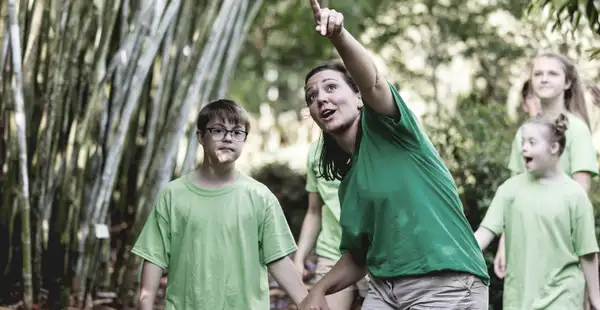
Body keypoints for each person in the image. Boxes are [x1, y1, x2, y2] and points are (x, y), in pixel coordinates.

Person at [299, 1, 490, 309]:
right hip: (386, 290)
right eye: (312, 96)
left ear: (358, 98)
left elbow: (373, 81)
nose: (321, 97)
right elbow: (358, 258)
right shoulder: (349, 183)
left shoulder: (392, 130)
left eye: (331, 87)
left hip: (445, 284)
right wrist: (318, 290)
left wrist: (338, 36)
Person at [131, 99, 307, 309]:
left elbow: (278, 259)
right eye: (218, 130)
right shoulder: (174, 194)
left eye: (236, 132)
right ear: (200, 137)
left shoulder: (259, 196)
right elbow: (155, 257)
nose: (228, 138)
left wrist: (309, 302)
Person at [474, 113, 600, 309]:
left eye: (532, 142)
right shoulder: (509, 190)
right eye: (523, 141)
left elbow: (588, 253)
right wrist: (451, 254)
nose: (524, 147)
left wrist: (596, 299)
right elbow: (483, 235)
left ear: (554, 148)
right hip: (519, 300)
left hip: (563, 297)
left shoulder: (575, 195)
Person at [493, 52, 598, 281]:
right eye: (538, 73)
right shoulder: (524, 132)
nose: (544, 78)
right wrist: (504, 243)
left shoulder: (577, 130)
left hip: (562, 244)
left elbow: (581, 194)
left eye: (552, 73)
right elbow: (513, 195)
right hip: (525, 243)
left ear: (567, 82)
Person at [294, 139, 369, 310]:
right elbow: (314, 211)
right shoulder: (315, 152)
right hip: (332, 254)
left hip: (374, 256)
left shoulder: (375, 143)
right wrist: (299, 258)